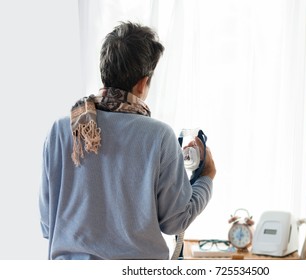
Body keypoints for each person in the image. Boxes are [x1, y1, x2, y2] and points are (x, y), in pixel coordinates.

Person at [39, 21, 216, 260]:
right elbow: (175, 222)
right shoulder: (159, 136)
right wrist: (205, 177)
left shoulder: (62, 129)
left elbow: (47, 224)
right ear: (143, 83)